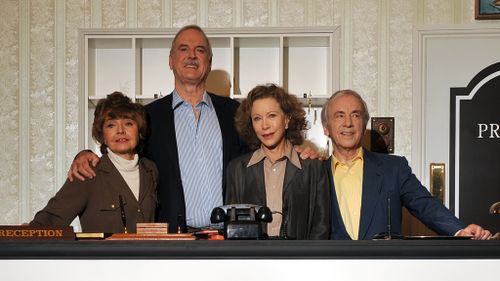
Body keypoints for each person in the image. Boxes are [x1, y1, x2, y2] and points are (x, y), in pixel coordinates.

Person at [68, 25, 320, 233]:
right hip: (171, 239)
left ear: (208, 63)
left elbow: (268, 152)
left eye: (200, 50)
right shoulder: (149, 116)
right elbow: (122, 154)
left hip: (229, 237)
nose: (191, 55)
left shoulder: (235, 113)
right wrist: (87, 155)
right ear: (170, 60)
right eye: (183, 49)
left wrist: (303, 152)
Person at [321, 89, 492, 240]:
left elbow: (425, 205)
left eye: (356, 115)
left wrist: (459, 230)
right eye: (339, 115)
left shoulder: (394, 169)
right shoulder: (315, 174)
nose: (348, 123)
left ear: (363, 124)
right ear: (326, 128)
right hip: (332, 271)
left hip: (385, 271)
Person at [30, 92, 158, 233]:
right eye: (111, 125)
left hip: (149, 255)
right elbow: (49, 221)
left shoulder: (151, 170)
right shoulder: (88, 172)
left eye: (128, 123)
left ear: (139, 130)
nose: (120, 130)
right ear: (102, 134)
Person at [225, 84, 330, 239]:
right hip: (252, 260)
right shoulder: (237, 169)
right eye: (257, 118)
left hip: (299, 260)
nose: (265, 125)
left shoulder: (313, 167)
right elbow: (232, 228)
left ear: (287, 119)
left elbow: (321, 227)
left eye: (272, 116)